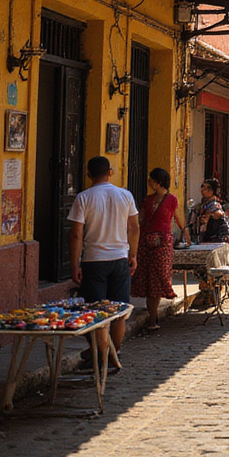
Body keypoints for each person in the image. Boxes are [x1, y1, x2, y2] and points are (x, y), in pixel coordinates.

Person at [68, 156, 139, 365]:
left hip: (94, 260)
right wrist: (133, 255)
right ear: (110, 172)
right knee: (119, 310)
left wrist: (74, 264)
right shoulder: (125, 195)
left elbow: (76, 235)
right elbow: (134, 228)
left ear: (89, 174)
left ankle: (100, 355)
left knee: (96, 311)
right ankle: (113, 353)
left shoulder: (84, 198)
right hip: (119, 258)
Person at [132, 167, 186, 330]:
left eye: (152, 180)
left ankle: (153, 317)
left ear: (158, 182)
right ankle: (152, 318)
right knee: (148, 280)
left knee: (159, 278)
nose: (149, 183)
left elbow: (179, 220)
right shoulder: (147, 201)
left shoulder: (172, 200)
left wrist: (187, 239)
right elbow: (140, 220)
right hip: (146, 244)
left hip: (162, 244)